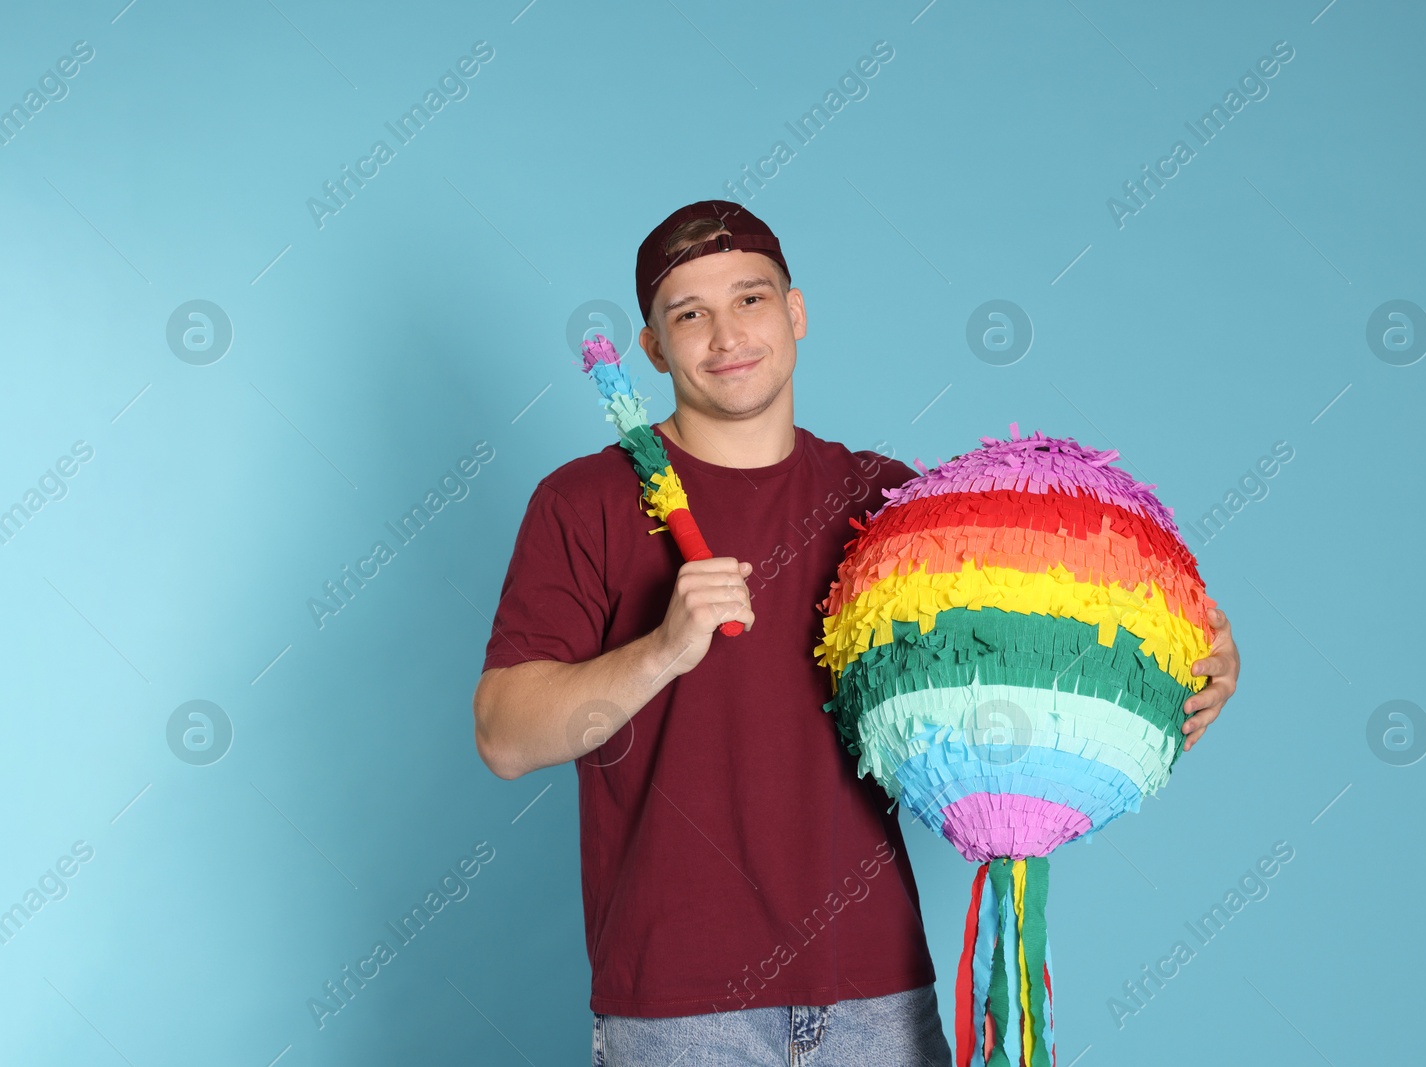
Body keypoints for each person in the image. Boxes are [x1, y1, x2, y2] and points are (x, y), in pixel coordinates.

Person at [471, 200, 1240, 1067]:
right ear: (652, 348)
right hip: (681, 1011)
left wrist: (1185, 662)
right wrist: (662, 649)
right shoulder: (584, 503)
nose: (726, 335)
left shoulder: (892, 510)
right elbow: (504, 735)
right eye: (689, 314)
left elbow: (1022, 660)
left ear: (795, 314)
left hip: (878, 1001)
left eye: (751, 300)